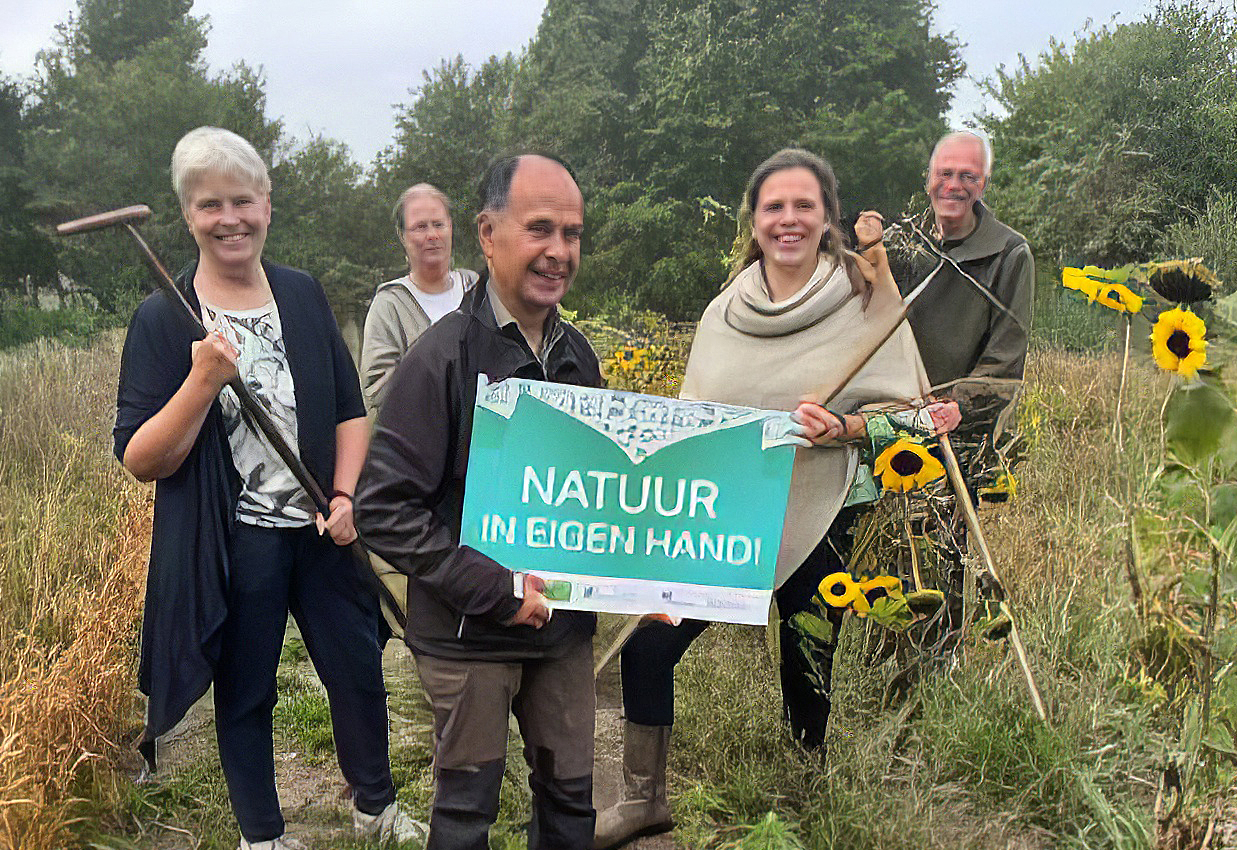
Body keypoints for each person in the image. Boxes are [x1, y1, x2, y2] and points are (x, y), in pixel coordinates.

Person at [595, 149, 959, 848]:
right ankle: (643, 801)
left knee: (807, 661)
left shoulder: (866, 300)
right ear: (754, 219)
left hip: (823, 509)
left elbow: (920, 415)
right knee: (648, 648)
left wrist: (845, 428)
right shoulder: (722, 313)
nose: (787, 219)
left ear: (827, 217)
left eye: (803, 206)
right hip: (724, 516)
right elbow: (689, 424)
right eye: (773, 207)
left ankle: (805, 798)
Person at [112, 126, 422, 850]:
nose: (230, 219)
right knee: (246, 689)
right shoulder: (165, 320)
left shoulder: (302, 295)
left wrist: (344, 497)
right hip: (235, 540)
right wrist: (201, 381)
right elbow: (141, 457)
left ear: (268, 206)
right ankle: (264, 836)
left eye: (242, 201)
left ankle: (375, 810)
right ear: (188, 215)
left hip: (319, 527)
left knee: (357, 672)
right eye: (210, 204)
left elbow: (351, 410)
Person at [357, 153, 600, 850]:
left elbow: (598, 496)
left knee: (571, 806)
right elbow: (383, 511)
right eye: (541, 229)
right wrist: (494, 590)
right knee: (465, 816)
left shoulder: (579, 359)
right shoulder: (438, 359)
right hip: (469, 642)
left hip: (561, 635)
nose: (559, 251)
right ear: (489, 234)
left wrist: (639, 569)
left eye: (573, 233)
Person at [870, 130, 1033, 447]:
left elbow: (1006, 359)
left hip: (958, 431)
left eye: (968, 176)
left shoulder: (1009, 254)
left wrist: (959, 405)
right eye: (945, 173)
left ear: (983, 184)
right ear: (927, 179)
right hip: (879, 417)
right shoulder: (896, 242)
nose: (954, 185)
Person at [360, 182, 478, 417]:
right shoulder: (389, 305)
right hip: (422, 444)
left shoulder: (476, 288)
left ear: (451, 228)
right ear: (402, 236)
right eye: (420, 227)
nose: (432, 235)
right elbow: (377, 388)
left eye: (438, 225)